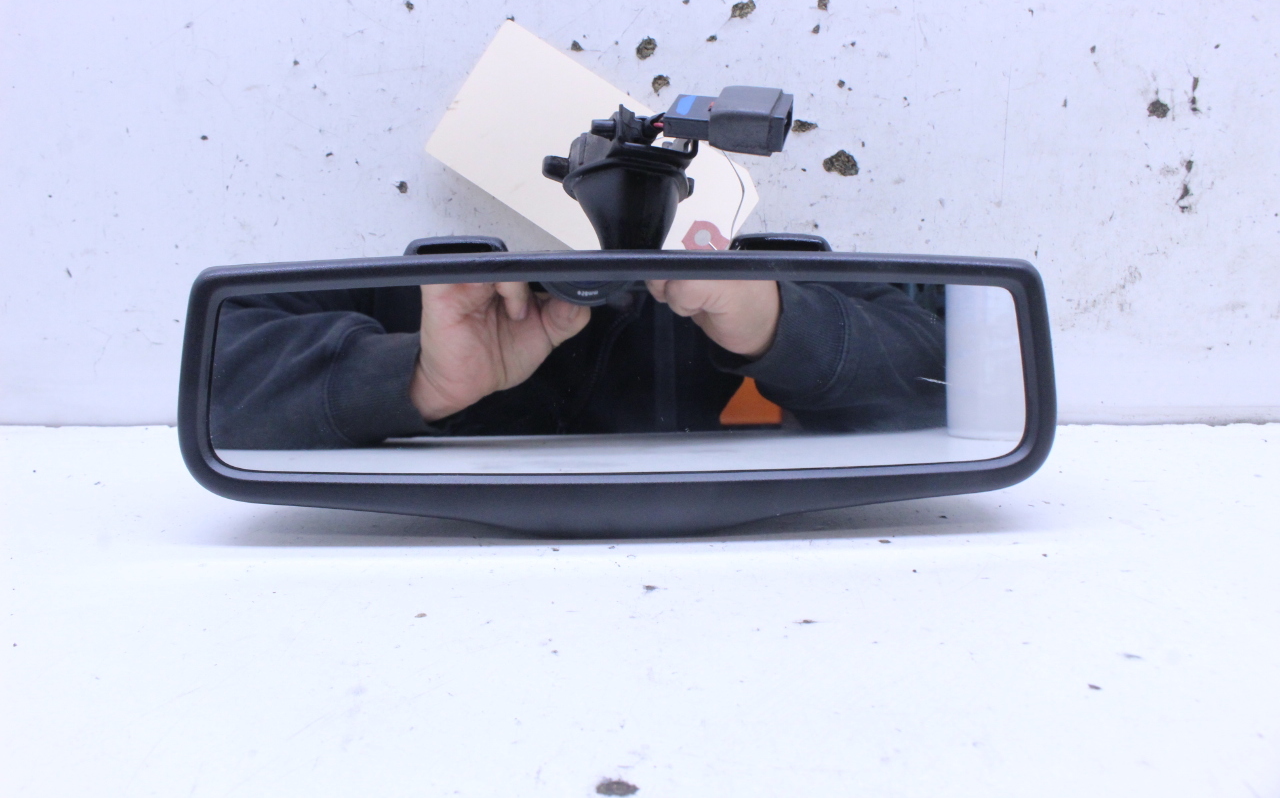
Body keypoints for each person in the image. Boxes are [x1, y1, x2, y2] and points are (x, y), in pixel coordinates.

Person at [210, 277, 946, 449]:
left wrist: (775, 320)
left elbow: (941, 374)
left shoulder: (732, 239)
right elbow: (216, 370)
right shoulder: (414, 256)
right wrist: (415, 377)